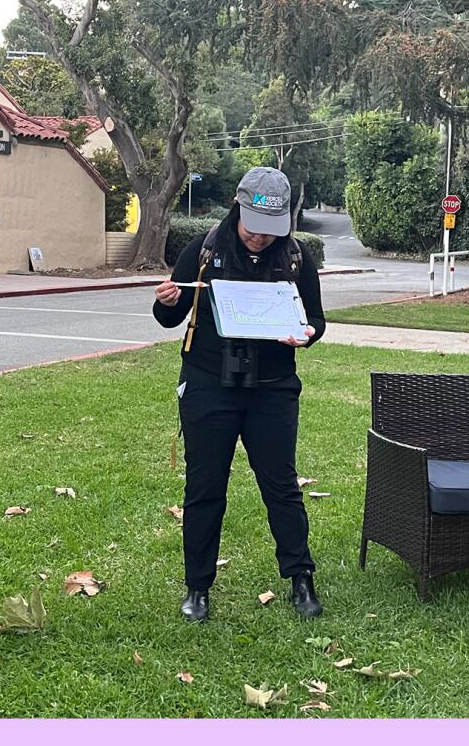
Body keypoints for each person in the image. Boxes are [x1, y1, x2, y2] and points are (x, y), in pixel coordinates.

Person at [153, 167, 327, 622]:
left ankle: (300, 578)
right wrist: (166, 301)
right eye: (253, 228)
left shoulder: (294, 257)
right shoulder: (206, 249)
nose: (259, 239)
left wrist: (306, 335)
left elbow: (316, 320)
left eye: (270, 231)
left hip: (273, 389)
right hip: (209, 384)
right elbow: (169, 318)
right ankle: (198, 588)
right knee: (205, 488)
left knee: (281, 487)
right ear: (237, 206)